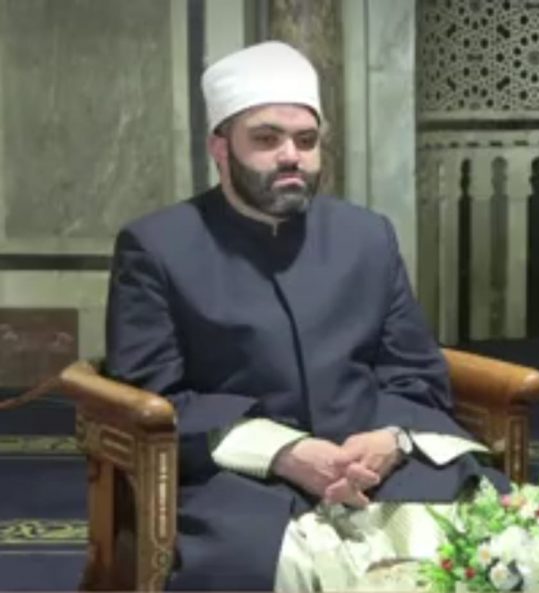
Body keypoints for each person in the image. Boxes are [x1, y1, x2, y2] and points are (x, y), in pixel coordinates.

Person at [105, 41, 506, 591]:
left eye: (306, 140)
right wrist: (283, 452)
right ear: (220, 147)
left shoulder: (367, 236)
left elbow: (415, 372)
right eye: (266, 139)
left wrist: (390, 440)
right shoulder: (157, 246)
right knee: (274, 567)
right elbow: (153, 396)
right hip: (238, 476)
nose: (291, 155)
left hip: (376, 464)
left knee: (487, 539)